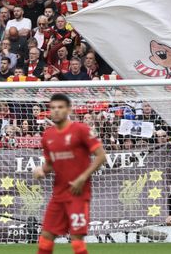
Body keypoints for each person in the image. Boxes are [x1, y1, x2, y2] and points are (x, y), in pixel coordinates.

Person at [32, 93, 107, 254]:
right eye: (53, 108)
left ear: (68, 109)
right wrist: (41, 170)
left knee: (76, 239)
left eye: (60, 107)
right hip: (58, 195)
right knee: (45, 237)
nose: (56, 111)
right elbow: (50, 164)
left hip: (78, 193)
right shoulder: (48, 136)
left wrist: (82, 178)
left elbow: (101, 156)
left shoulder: (81, 130)